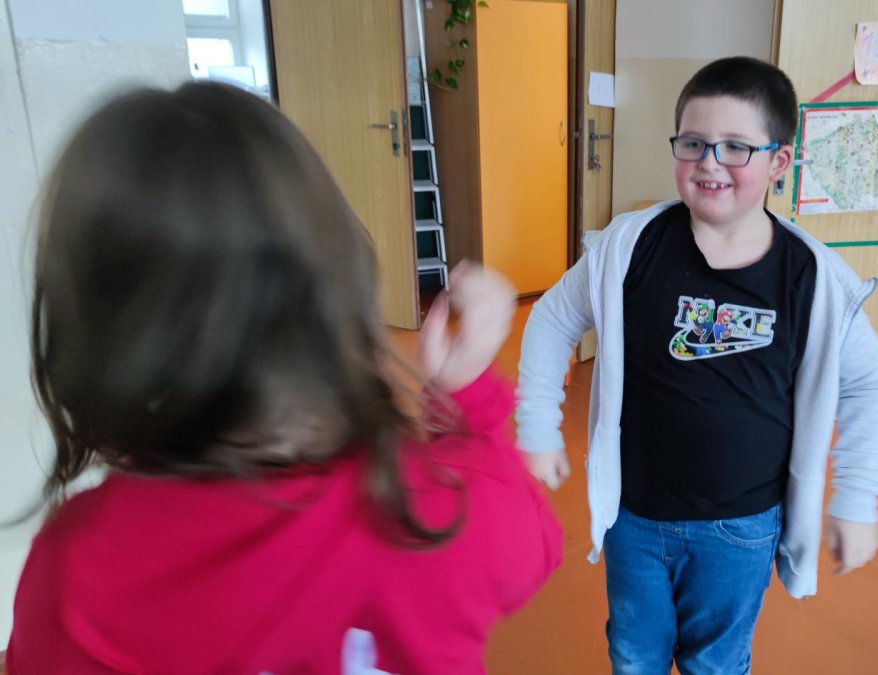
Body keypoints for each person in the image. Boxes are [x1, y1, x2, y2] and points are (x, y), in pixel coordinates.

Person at [5, 82, 562, 675]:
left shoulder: (75, 567)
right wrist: (467, 395)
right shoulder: (451, 505)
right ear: (343, 284)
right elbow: (539, 544)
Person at [517, 56, 878, 673]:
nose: (710, 162)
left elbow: (870, 385)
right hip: (635, 518)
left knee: (715, 664)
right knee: (633, 656)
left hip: (741, 530)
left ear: (779, 161)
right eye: (693, 143)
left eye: (735, 147)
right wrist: (537, 427)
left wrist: (856, 499)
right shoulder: (630, 246)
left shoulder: (814, 277)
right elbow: (552, 319)